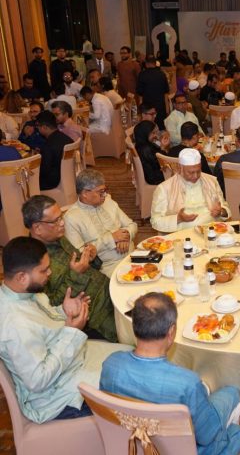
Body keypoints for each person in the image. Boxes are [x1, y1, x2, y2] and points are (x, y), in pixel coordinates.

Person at [100, 292, 240, 454]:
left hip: (132, 444)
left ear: (134, 327)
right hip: (181, 450)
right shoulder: (187, 383)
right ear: (171, 331)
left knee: (203, 391)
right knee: (232, 396)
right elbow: (206, 437)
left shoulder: (111, 365)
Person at [0, 237, 128, 423]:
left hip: (71, 363)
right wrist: (72, 333)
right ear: (21, 277)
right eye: (43, 270)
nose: (50, 272)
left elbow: (43, 327)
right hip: (57, 397)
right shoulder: (15, 324)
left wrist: (63, 310)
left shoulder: (21, 294)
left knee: (134, 355)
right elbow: (38, 380)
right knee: (135, 381)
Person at [23, 195, 119, 342]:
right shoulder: (32, 263)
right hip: (97, 319)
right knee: (145, 331)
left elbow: (86, 269)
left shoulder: (58, 238)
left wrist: (91, 258)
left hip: (108, 292)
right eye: (55, 221)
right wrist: (76, 274)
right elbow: (51, 308)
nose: (62, 223)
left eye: (61, 217)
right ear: (37, 228)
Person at [64, 170, 137, 277]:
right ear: (85, 193)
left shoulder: (109, 202)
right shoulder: (71, 218)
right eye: (101, 192)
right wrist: (111, 239)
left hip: (133, 256)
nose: (105, 195)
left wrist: (126, 235)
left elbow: (132, 225)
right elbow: (80, 254)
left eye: (105, 190)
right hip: (108, 268)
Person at [151, 148, 229, 232]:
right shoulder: (164, 188)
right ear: (180, 168)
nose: (195, 176)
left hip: (212, 230)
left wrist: (221, 211)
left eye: (198, 171)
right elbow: (155, 221)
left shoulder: (212, 181)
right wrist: (178, 218)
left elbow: (225, 208)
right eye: (191, 172)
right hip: (181, 234)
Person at [35, 111, 73, 190]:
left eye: (38, 127)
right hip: (68, 176)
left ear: (44, 127)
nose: (37, 129)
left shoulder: (48, 145)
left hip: (52, 183)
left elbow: (44, 171)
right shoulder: (67, 139)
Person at [136, 56, 170, 129]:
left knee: (148, 129)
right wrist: (167, 109)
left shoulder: (142, 75)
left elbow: (140, 95)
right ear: (155, 63)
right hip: (160, 107)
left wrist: (140, 110)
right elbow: (166, 93)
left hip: (148, 109)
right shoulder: (162, 74)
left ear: (146, 63)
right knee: (161, 129)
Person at [134, 120, 170, 185]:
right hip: (154, 178)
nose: (155, 135)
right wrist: (163, 148)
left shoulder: (142, 144)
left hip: (153, 173)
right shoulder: (145, 149)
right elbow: (160, 163)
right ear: (145, 134)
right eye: (153, 133)